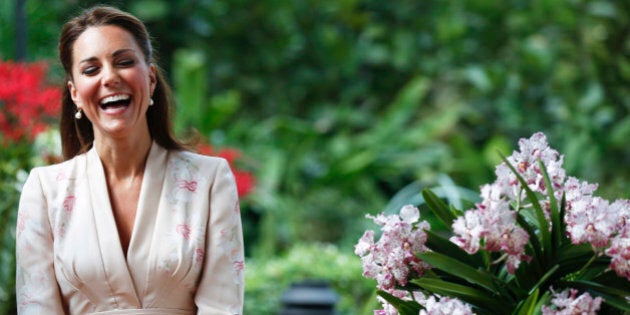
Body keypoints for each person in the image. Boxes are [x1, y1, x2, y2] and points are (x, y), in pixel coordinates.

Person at [15, 5, 244, 314]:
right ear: (75, 93)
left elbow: (222, 307)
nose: (110, 77)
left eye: (123, 62)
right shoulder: (45, 190)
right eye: (91, 69)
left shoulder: (209, 179)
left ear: (150, 79)